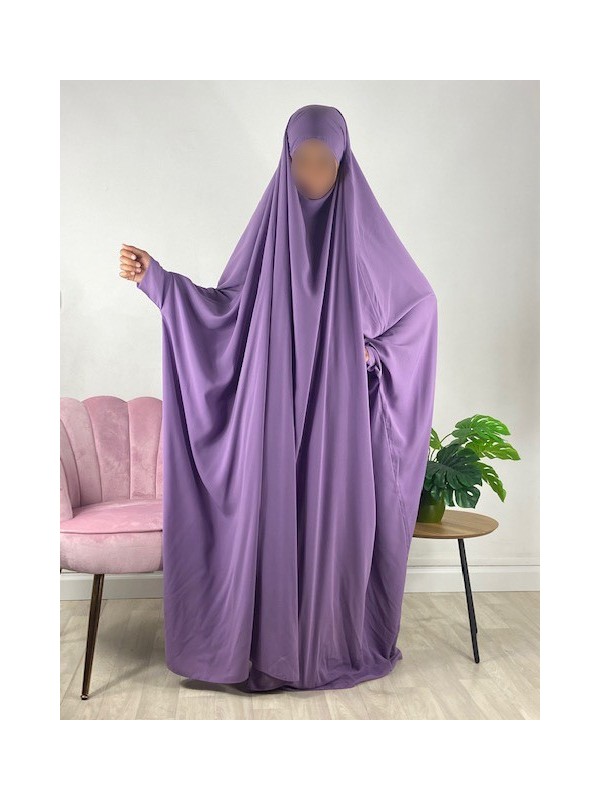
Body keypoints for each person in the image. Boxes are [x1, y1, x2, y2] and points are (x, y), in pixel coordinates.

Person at [118, 104, 438, 693]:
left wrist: (370, 356)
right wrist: (157, 282)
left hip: (338, 420)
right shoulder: (268, 238)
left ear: (343, 167)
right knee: (268, 525)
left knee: (329, 527)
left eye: (325, 163)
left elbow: (419, 312)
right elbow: (224, 312)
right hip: (270, 413)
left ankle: (322, 648)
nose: (312, 175)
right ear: (285, 163)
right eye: (302, 161)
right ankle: (265, 651)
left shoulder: (364, 240)